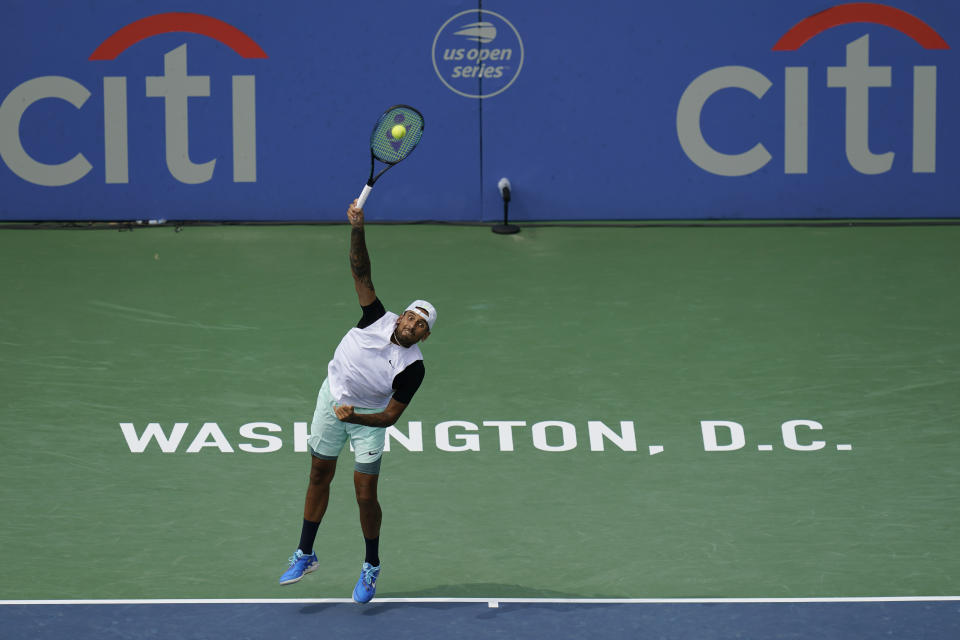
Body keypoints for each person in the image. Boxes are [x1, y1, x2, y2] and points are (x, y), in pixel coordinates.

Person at [279, 200, 436, 604]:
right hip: (331, 400)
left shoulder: (413, 368)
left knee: (365, 494)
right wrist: (357, 228)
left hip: (366, 419)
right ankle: (306, 553)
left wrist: (356, 418)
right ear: (400, 316)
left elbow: (389, 417)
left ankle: (371, 565)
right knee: (318, 475)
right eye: (411, 316)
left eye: (421, 325)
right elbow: (361, 269)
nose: (412, 324)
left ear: (424, 336)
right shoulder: (373, 317)